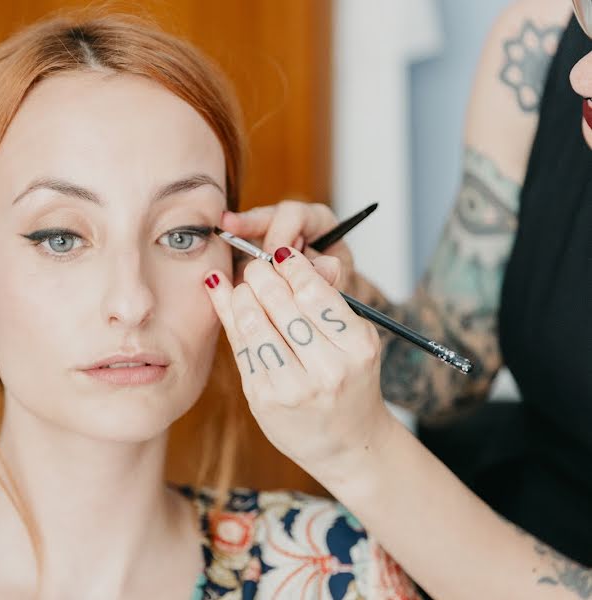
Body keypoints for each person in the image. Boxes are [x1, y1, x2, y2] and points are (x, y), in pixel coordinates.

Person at [0, 13, 419, 600]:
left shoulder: (337, 568)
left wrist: (364, 443)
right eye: (61, 237)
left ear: (239, 264)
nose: (131, 300)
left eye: (181, 234)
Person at [220, 0, 592, 569]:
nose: (580, 74)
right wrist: (342, 294)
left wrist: (360, 453)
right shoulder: (536, 50)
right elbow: (449, 372)